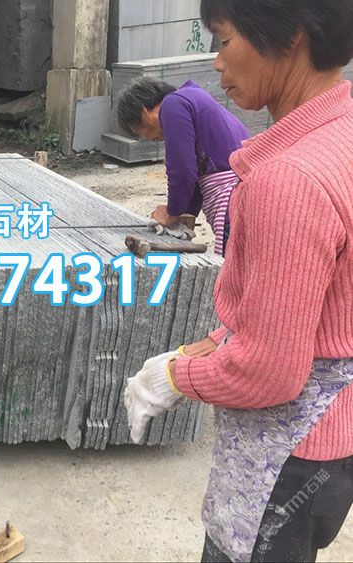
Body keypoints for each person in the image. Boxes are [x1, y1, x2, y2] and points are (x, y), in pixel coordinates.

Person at [124, 0, 353, 560]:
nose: (216, 62)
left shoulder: (287, 182)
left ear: (291, 36)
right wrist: (203, 347)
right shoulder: (340, 133)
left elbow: (269, 371)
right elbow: (317, 307)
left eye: (224, 40)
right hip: (334, 441)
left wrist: (174, 377)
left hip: (283, 458)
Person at [117, 77, 250, 255]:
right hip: (246, 199)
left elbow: (182, 169)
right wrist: (184, 215)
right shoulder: (193, 98)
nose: (150, 139)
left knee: (236, 269)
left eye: (140, 132)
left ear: (144, 112)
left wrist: (170, 214)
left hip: (234, 202)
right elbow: (196, 175)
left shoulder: (173, 105)